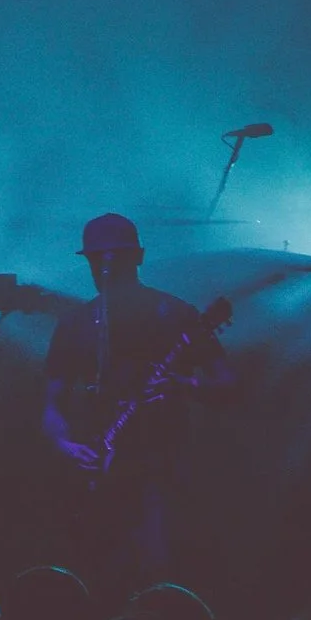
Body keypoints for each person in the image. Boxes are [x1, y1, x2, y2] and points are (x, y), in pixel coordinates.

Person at [42, 214, 232, 588]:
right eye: (97, 260)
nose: (106, 267)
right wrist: (65, 444)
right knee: (94, 574)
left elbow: (228, 383)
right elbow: (51, 403)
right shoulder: (77, 324)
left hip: (163, 469)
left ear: (138, 257)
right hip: (98, 473)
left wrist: (184, 385)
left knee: (160, 571)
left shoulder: (176, 316)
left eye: (116, 258)